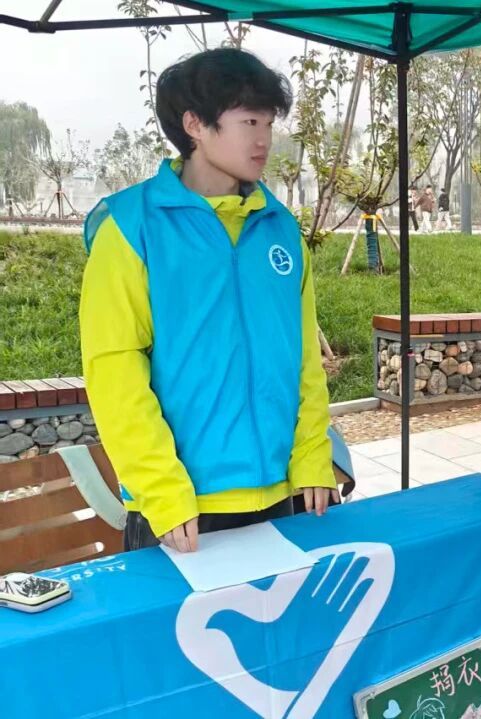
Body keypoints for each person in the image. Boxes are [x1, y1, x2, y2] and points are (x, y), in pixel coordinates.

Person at [80, 48, 340, 554]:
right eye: (248, 122)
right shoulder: (132, 230)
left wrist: (312, 455)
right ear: (194, 125)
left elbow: (303, 357)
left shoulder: (281, 228)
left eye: (268, 123)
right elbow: (115, 372)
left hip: (284, 495)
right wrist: (161, 489)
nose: (264, 139)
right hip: (183, 513)